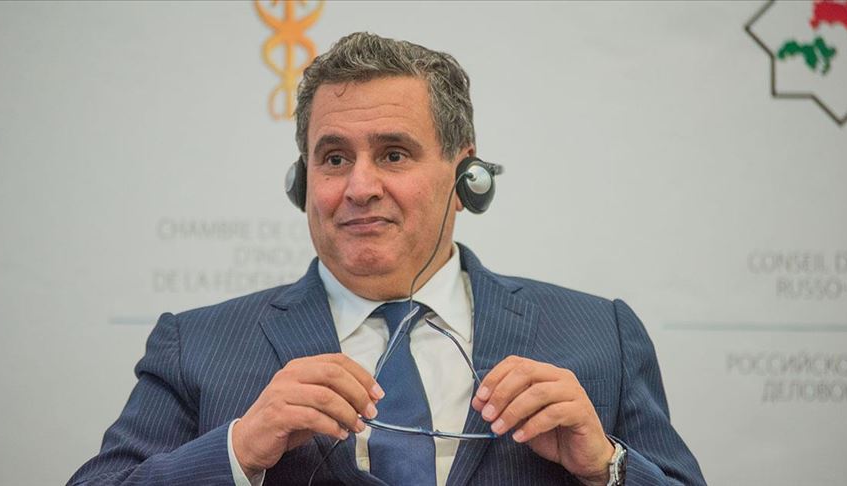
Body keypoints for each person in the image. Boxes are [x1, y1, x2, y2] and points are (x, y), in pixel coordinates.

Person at [69, 32, 706, 486]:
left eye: (394, 154)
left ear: (467, 176)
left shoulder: (601, 336)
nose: (359, 187)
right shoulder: (197, 347)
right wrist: (237, 452)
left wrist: (609, 469)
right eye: (334, 158)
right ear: (303, 182)